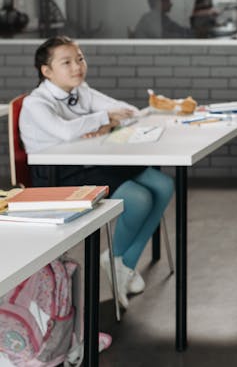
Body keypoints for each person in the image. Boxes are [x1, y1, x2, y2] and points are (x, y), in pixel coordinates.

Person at [19, 35, 174, 309]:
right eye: (66, 62)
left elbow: (129, 112)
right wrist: (102, 120)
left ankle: (122, 263)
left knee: (163, 185)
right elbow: (65, 131)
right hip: (58, 174)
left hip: (91, 160)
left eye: (80, 59)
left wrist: (104, 123)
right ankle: (117, 261)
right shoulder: (36, 103)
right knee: (139, 198)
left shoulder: (83, 91)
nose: (77, 66)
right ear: (46, 71)